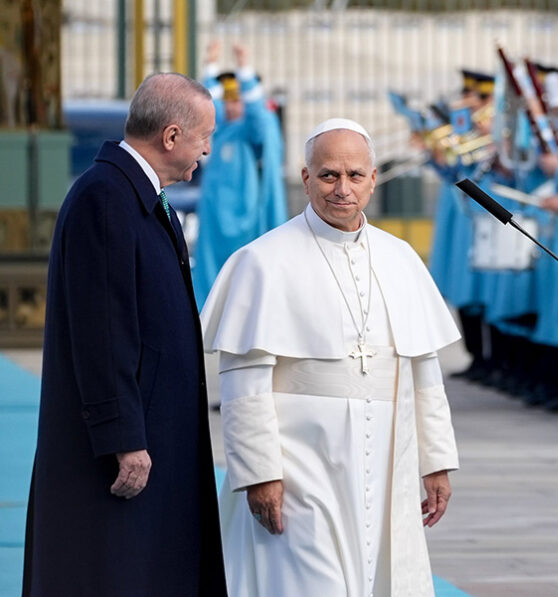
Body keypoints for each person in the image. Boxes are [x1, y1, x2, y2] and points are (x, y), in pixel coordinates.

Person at [201, 118, 461, 596]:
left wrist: (436, 460)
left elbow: (424, 373)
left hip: (387, 461)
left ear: (373, 178)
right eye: (328, 176)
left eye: (354, 176)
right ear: (306, 178)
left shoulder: (400, 258)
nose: (342, 189)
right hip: (301, 468)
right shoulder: (264, 260)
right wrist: (260, 472)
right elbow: (243, 381)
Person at [23, 73, 226, 596]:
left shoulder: (134, 193)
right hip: (126, 447)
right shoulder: (107, 198)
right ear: (172, 136)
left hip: (155, 428)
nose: (208, 149)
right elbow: (102, 328)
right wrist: (122, 437)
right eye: (204, 136)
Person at [192, 41, 288, 307]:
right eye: (229, 99)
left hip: (245, 222)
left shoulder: (254, 130)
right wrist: (209, 65)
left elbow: (258, 115)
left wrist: (244, 68)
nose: (232, 105)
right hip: (214, 221)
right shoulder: (221, 129)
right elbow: (207, 106)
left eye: (238, 99)